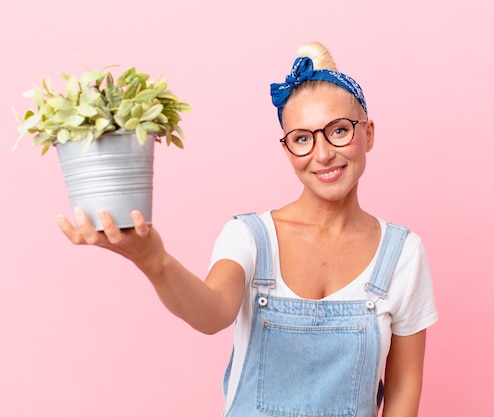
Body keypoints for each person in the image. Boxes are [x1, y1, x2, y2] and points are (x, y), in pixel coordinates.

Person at [57, 41, 438, 417]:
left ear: (367, 133)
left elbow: (404, 386)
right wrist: (153, 260)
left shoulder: (402, 253)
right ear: (287, 150)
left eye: (338, 131)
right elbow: (212, 314)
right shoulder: (250, 238)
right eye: (302, 139)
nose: (322, 154)